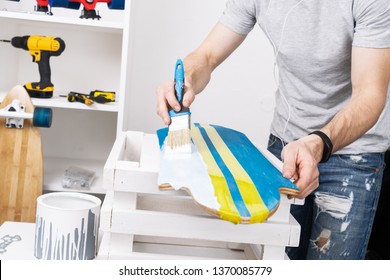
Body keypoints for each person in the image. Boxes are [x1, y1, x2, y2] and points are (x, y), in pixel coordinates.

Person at [156, 0, 390, 260]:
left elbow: (370, 95)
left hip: (353, 155)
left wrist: (316, 143)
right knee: (278, 260)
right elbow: (207, 55)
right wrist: (187, 78)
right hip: (286, 147)